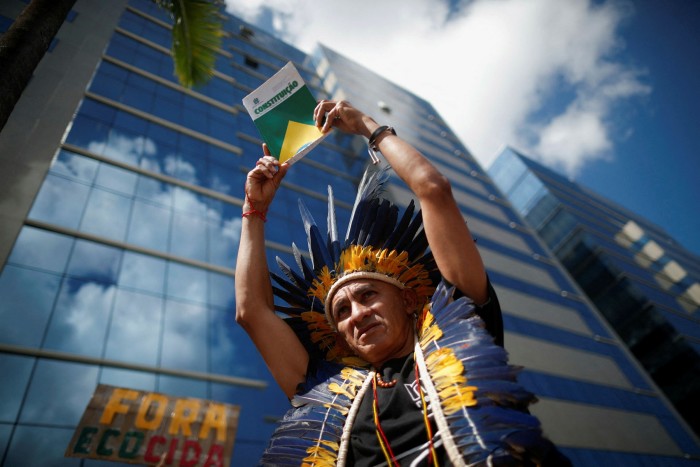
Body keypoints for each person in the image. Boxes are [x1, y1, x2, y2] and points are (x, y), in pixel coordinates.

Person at [235, 100, 571, 466]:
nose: (357, 314)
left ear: (410, 299)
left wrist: (368, 126)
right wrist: (254, 209)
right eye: (342, 311)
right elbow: (251, 312)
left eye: (367, 295)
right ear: (339, 335)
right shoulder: (326, 394)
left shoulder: (460, 326)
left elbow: (432, 188)